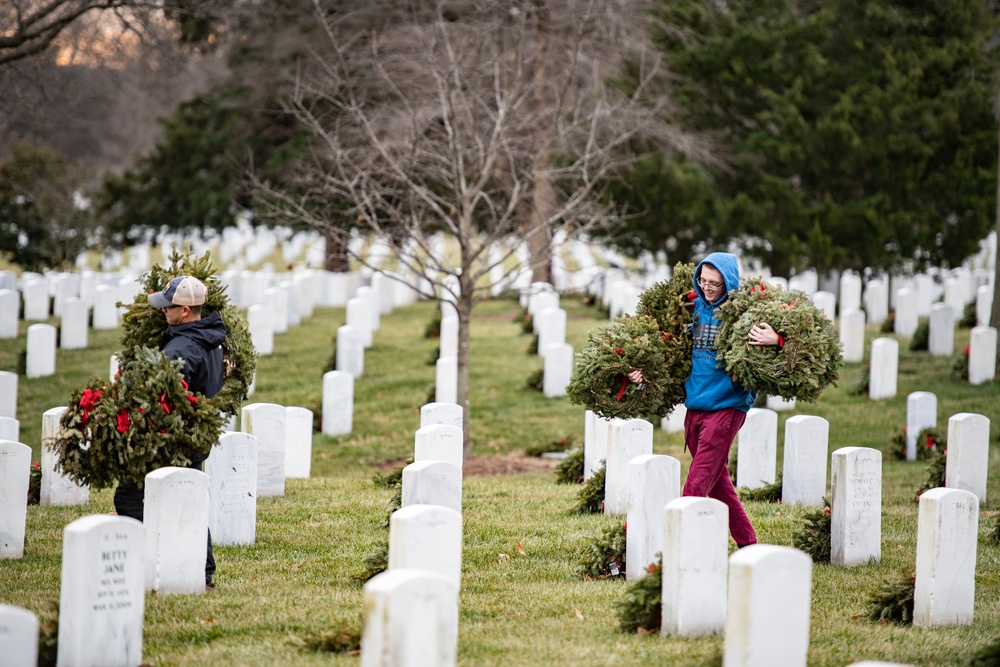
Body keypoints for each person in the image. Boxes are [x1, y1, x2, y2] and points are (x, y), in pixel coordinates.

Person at [629, 252, 780, 548]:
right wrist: (642, 371)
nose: (707, 288)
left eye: (715, 283)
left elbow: (799, 333)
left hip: (727, 407)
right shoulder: (691, 309)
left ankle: (673, 549)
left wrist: (777, 340)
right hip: (695, 407)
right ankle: (748, 544)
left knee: (696, 484)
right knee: (720, 484)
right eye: (703, 281)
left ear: (729, 283)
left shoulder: (745, 314)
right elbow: (667, 349)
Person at [113, 275, 228, 588]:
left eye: (169, 306)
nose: (163, 311)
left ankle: (154, 563)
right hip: (195, 438)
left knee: (129, 496)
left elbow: (160, 398)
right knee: (187, 498)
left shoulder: (181, 350)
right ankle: (201, 572)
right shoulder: (213, 338)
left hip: (171, 439)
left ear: (186, 311)